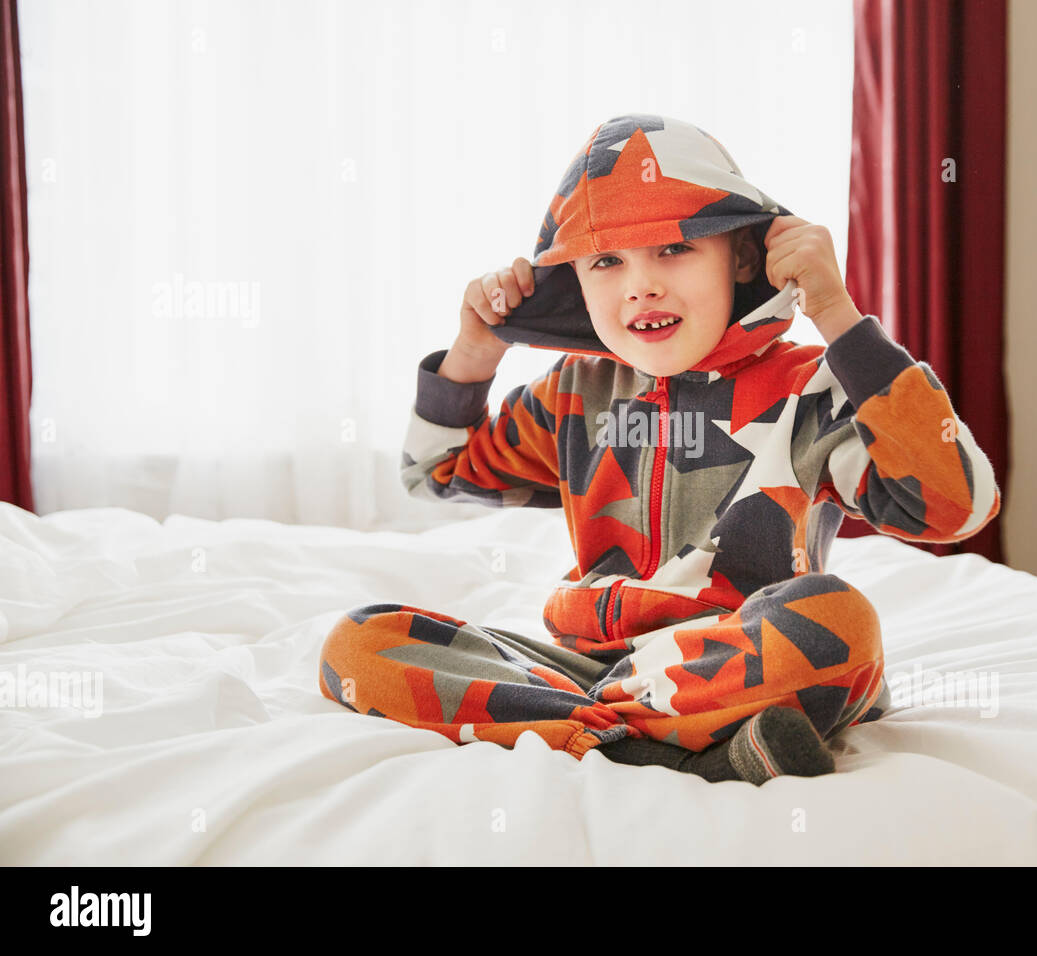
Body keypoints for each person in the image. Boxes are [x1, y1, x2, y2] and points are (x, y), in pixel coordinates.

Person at [318, 113, 1001, 785]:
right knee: (362, 643)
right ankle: (664, 750)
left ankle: (617, 736)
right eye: (606, 261)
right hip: (587, 669)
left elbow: (955, 507)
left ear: (738, 257)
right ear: (577, 285)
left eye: (674, 249)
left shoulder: (814, 392)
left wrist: (839, 318)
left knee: (839, 622)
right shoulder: (574, 393)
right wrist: (474, 351)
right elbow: (432, 473)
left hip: (732, 666)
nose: (640, 284)